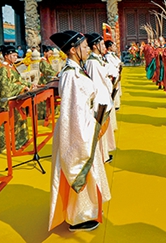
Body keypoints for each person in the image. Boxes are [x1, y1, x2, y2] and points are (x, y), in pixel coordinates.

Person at [48, 30, 110, 232]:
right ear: (73, 50)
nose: (87, 50)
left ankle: (87, 211)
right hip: (77, 130)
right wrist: (88, 131)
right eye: (84, 47)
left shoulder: (77, 70)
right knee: (79, 167)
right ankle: (77, 217)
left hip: (85, 126)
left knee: (91, 172)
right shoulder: (70, 75)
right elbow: (72, 111)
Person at [0, 44, 34, 155]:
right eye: (13, 55)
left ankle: (20, 140)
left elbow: (20, 80)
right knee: (8, 123)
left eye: (16, 56)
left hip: (17, 98)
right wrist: (21, 88)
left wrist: (30, 85)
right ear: (6, 56)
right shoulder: (2, 69)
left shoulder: (12, 67)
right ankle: (5, 144)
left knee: (19, 120)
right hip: (8, 101)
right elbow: (4, 87)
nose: (16, 57)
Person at [84, 33, 118, 163]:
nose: (104, 47)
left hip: (104, 96)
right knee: (99, 130)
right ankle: (101, 158)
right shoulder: (92, 62)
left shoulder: (98, 60)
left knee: (103, 129)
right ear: (95, 46)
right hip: (99, 99)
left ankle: (105, 155)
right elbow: (94, 83)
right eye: (102, 44)